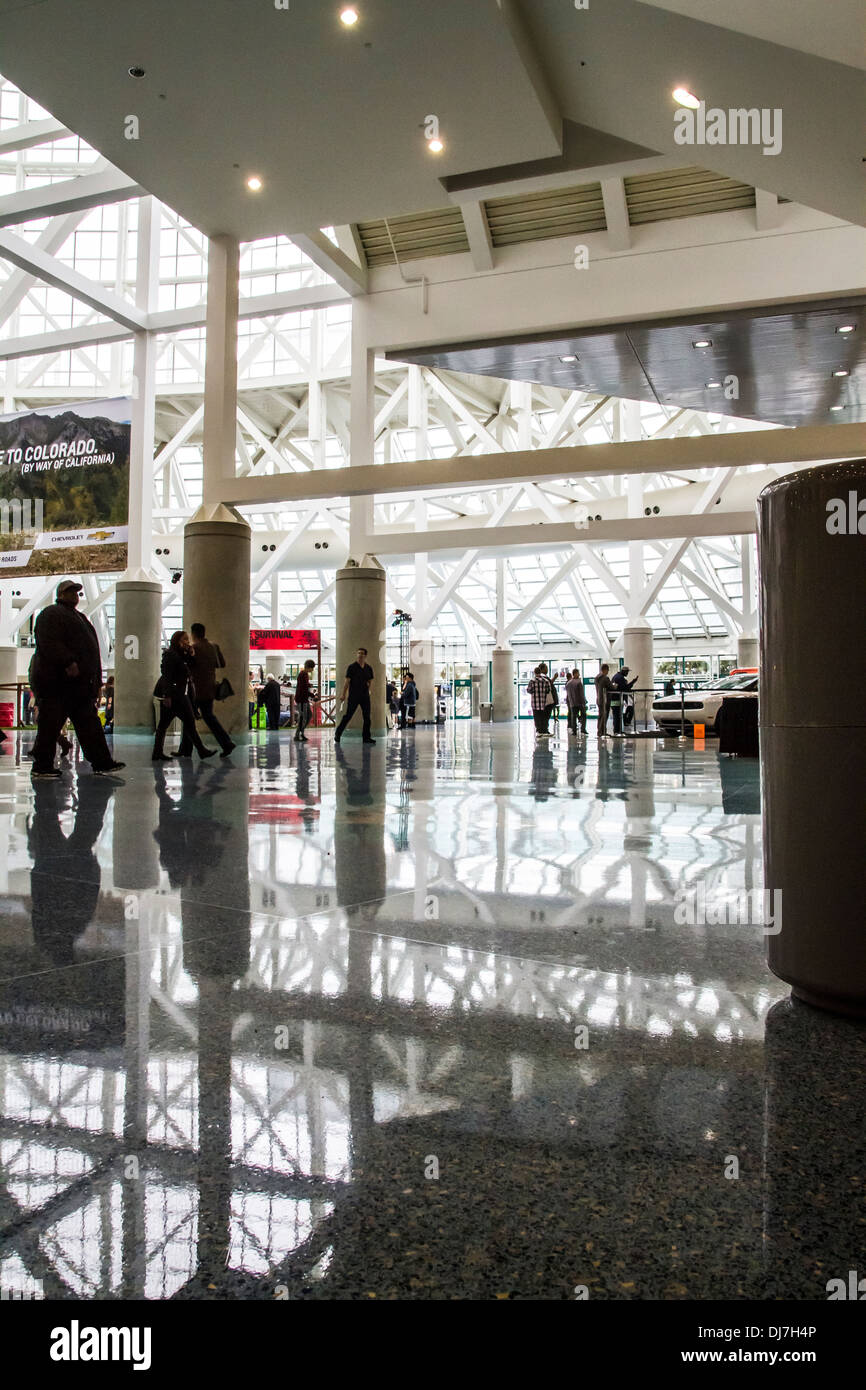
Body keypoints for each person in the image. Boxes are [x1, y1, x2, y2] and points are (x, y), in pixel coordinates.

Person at [29, 579, 125, 780]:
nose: (76, 595)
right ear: (61, 595)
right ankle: (42, 765)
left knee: (89, 725)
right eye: (71, 591)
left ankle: (101, 761)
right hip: (58, 684)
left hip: (79, 686)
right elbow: (49, 642)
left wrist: (96, 683)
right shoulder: (52, 614)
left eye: (77, 592)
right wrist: (68, 662)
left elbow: (91, 653)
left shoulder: (80, 617)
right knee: (50, 726)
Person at [152, 631, 218, 762]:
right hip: (173, 695)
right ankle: (201, 750)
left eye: (188, 639)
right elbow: (167, 676)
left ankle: (158, 753)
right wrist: (167, 695)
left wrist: (191, 653)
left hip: (180, 694)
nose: (187, 642)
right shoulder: (170, 655)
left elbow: (192, 666)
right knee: (178, 723)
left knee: (175, 724)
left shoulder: (182, 655)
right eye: (184, 640)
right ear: (177, 641)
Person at [177, 622, 236, 757]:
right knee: (208, 717)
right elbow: (222, 664)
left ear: (193, 634)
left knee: (189, 718)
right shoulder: (213, 647)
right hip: (210, 689)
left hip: (196, 690)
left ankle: (186, 749)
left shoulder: (194, 648)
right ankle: (226, 743)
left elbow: (187, 665)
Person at [334, 647, 375, 744]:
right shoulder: (352, 667)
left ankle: (366, 738)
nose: (360, 655)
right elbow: (347, 682)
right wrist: (343, 694)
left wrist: (368, 691)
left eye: (362, 653)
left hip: (365, 696)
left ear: (365, 655)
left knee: (367, 717)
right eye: (358, 653)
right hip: (354, 695)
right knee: (348, 715)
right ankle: (338, 734)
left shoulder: (368, 668)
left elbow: (370, 681)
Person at [527, 665, 555, 739]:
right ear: (540, 672)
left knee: (537, 717)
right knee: (543, 717)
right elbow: (548, 690)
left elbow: (529, 690)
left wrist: (534, 692)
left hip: (535, 703)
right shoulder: (545, 681)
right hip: (543, 702)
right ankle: (544, 730)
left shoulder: (532, 681)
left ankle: (539, 731)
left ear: (534, 672)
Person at [610, 665, 639, 734]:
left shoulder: (616, 676)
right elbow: (626, 688)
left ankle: (617, 730)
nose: (627, 673)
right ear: (624, 671)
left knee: (616, 715)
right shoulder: (620, 678)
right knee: (617, 715)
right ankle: (617, 731)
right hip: (617, 699)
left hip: (614, 699)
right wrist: (633, 682)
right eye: (627, 672)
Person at [293, 659, 317, 742]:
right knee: (303, 717)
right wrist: (312, 695)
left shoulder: (304, 674)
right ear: (309, 667)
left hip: (303, 699)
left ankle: (301, 733)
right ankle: (298, 735)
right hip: (301, 699)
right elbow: (303, 688)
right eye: (312, 668)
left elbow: (303, 686)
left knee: (308, 715)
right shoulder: (303, 674)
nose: (313, 670)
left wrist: (309, 685)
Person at [565, 669, 587, 735]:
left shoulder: (568, 683)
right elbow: (581, 694)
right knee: (583, 715)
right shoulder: (578, 682)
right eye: (578, 673)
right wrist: (584, 703)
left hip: (572, 703)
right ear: (575, 674)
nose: (579, 674)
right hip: (579, 702)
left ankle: (574, 731)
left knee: (573, 716)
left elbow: (568, 694)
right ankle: (583, 729)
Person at [594, 663, 614, 737]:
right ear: (605, 670)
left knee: (600, 716)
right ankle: (602, 732)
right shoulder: (605, 678)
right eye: (608, 670)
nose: (608, 672)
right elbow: (612, 687)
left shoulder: (596, 678)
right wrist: (615, 685)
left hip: (599, 699)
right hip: (605, 700)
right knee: (604, 716)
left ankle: (600, 731)